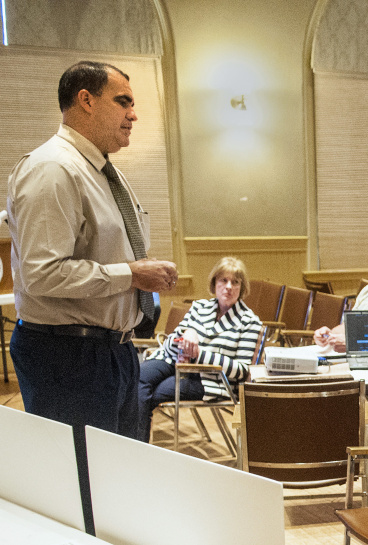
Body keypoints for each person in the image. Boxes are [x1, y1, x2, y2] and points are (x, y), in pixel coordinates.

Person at [7, 61, 178, 439]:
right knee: (83, 481)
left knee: (116, 477)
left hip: (113, 350)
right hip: (69, 356)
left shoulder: (101, 171)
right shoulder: (52, 169)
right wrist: (132, 275)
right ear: (85, 100)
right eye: (123, 102)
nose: (133, 115)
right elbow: (42, 274)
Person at [137, 258, 262, 442]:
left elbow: (242, 371)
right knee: (138, 379)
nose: (228, 287)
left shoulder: (250, 322)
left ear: (242, 288)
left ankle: (138, 447)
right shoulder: (199, 307)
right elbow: (171, 340)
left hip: (211, 379)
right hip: (174, 360)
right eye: (223, 280)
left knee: (152, 394)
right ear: (214, 283)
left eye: (235, 282)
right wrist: (187, 334)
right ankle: (132, 444)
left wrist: (199, 354)